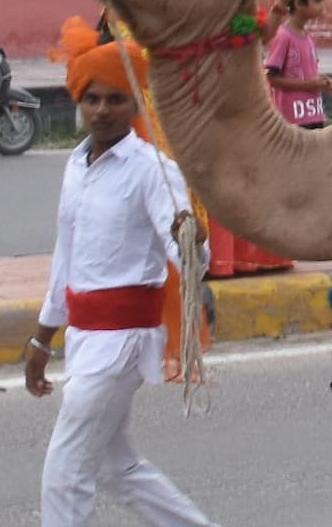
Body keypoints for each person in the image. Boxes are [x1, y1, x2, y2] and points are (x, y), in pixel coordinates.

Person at [25, 40, 216, 527]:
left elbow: (189, 257)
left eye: (115, 99)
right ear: (78, 102)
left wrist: (191, 241)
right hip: (83, 338)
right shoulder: (75, 164)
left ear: (137, 104)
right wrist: (41, 339)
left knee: (65, 472)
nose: (102, 110)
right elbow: (64, 259)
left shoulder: (153, 171)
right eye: (92, 99)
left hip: (122, 343)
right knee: (117, 467)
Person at [265, 0, 332, 130]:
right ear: (299, 3)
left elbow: (308, 73)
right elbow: (273, 79)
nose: (321, 7)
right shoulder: (283, 37)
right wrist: (310, 84)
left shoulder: (308, 38)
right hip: (292, 121)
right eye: (317, 1)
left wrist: (322, 82)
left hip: (314, 115)